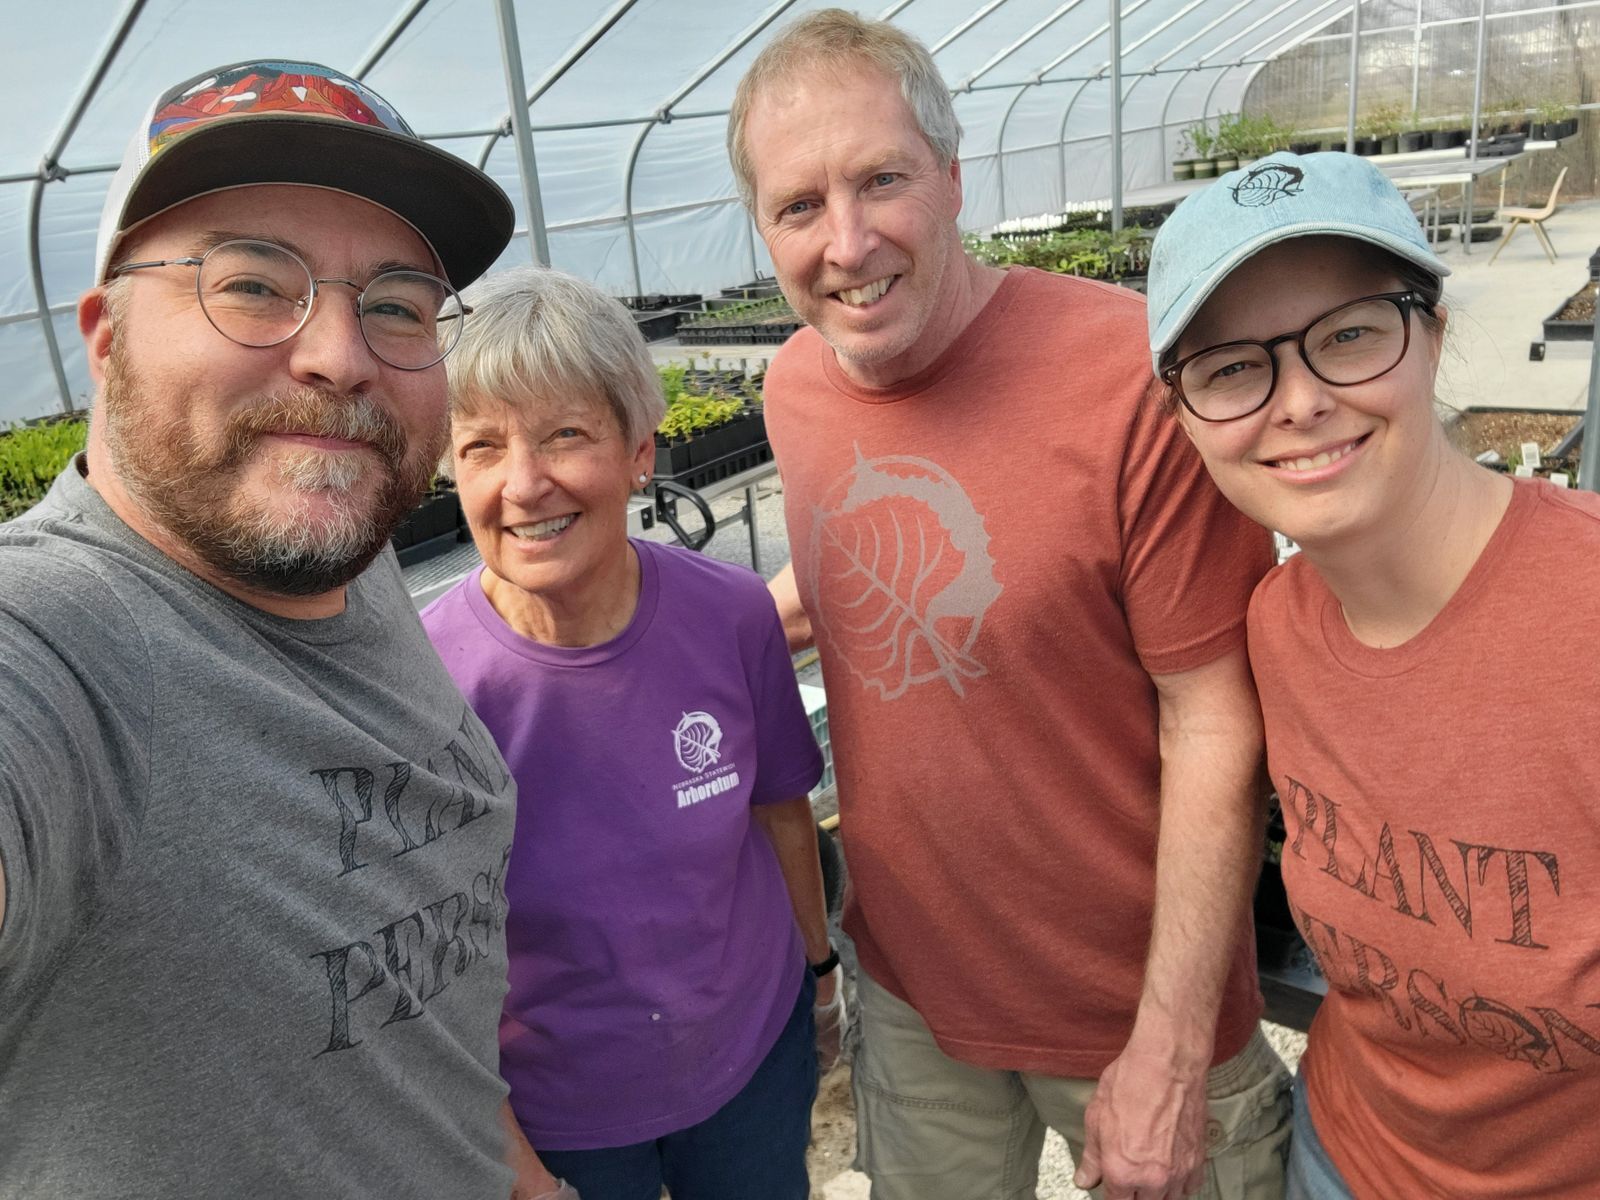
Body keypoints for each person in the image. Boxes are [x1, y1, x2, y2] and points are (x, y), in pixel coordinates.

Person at [727, 11, 1293, 1200]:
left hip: (1128, 1008)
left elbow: (1216, 717)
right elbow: (842, 584)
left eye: (880, 180)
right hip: (917, 996)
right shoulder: (792, 387)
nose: (845, 241)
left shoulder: (1125, 380)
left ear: (950, 176)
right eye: (796, 206)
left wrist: (1173, 1050)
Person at [0, 61, 527, 1198]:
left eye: (394, 305)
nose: (338, 356)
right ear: (103, 339)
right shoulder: (61, 648)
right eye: (250, 283)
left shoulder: (349, 549)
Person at [1147, 150, 1600, 1200]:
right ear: (1184, 418)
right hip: (1341, 1159)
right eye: (1231, 368)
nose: (1299, 401)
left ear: (1431, 336)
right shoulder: (1276, 629)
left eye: (1348, 335)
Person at [419, 264, 835, 1200]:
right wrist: (520, 1172)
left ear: (641, 452)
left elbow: (780, 812)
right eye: (482, 446)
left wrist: (819, 969)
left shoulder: (729, 617)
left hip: (747, 1064)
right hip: (559, 1115)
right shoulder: (427, 685)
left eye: (566, 434)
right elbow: (432, 962)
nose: (524, 484)